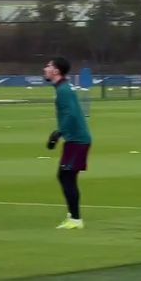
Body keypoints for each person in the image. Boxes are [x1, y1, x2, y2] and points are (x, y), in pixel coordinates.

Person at [43, 56, 92, 230]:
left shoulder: (63, 90)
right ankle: (73, 216)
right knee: (66, 176)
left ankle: (76, 219)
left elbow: (71, 114)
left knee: (66, 176)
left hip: (77, 141)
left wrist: (57, 134)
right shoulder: (63, 88)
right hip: (75, 140)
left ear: (56, 71)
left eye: (48, 66)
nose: (45, 69)